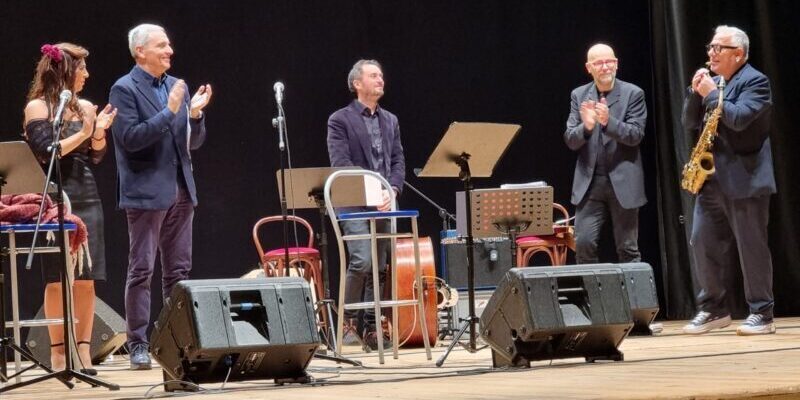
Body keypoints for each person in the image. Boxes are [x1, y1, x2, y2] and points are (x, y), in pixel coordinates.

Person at [109, 23, 212, 369]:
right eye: (162, 45)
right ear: (140, 51)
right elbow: (131, 139)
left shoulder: (174, 85)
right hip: (146, 192)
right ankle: (137, 343)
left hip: (181, 189)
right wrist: (169, 111)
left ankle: (177, 339)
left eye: (169, 45)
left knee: (179, 272)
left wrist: (194, 115)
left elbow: (190, 143)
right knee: (142, 269)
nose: (170, 50)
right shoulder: (123, 89)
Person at [23, 42, 117, 375]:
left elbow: (94, 157)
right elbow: (47, 151)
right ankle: (59, 353)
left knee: (86, 279)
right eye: (82, 69)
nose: (87, 75)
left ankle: (84, 352)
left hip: (86, 193)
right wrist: (86, 132)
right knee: (57, 279)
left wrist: (99, 135)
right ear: (65, 70)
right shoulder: (39, 107)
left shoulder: (87, 107)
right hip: (54, 197)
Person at [681, 26, 776, 336]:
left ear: (739, 54)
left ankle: (762, 312)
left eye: (719, 48)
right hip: (712, 180)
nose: (711, 52)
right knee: (702, 242)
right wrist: (696, 95)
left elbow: (737, 118)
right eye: (711, 47)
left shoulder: (756, 82)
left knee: (751, 247)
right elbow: (689, 122)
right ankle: (713, 308)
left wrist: (710, 95)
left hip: (745, 179)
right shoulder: (716, 81)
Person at [327, 59, 405, 349]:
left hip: (385, 202)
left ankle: (374, 328)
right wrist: (374, 191)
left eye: (381, 75)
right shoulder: (339, 120)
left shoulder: (391, 120)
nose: (380, 79)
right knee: (362, 260)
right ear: (357, 84)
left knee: (381, 267)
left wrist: (392, 189)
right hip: (353, 203)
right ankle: (347, 324)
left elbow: (397, 161)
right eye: (373, 76)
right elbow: (341, 164)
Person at [564, 43, 647, 264]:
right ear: (588, 67)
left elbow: (636, 135)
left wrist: (607, 122)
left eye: (609, 61)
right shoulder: (579, 95)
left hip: (624, 181)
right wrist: (587, 127)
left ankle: (635, 300)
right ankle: (591, 299)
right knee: (583, 245)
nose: (605, 67)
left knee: (628, 249)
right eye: (598, 63)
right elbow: (571, 140)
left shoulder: (633, 93)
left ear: (617, 64)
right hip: (590, 184)